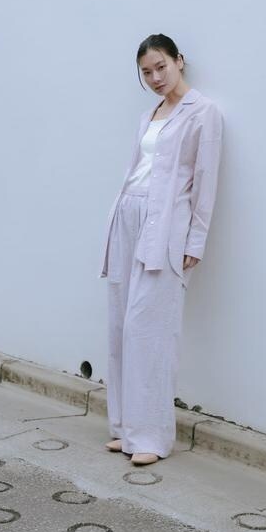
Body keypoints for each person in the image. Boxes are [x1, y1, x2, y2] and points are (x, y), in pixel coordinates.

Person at [98, 33, 223, 466]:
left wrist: (195, 240)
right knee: (120, 327)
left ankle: (151, 436)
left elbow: (205, 180)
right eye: (146, 72)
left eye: (161, 67)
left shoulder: (203, 113)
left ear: (179, 60)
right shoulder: (148, 115)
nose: (154, 77)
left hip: (166, 226)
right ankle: (126, 429)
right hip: (127, 217)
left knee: (149, 331)